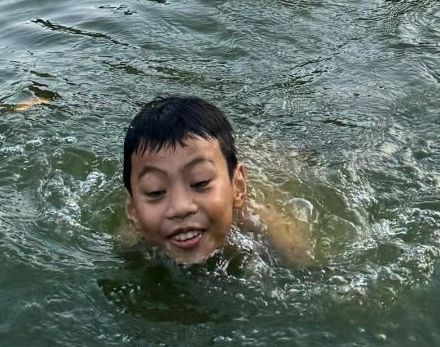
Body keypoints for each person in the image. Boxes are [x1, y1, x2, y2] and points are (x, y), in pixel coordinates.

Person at [122, 94, 311, 266]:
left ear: (238, 187)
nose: (180, 207)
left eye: (200, 182)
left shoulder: (267, 229)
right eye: (155, 191)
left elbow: (306, 266)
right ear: (133, 210)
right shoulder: (131, 245)